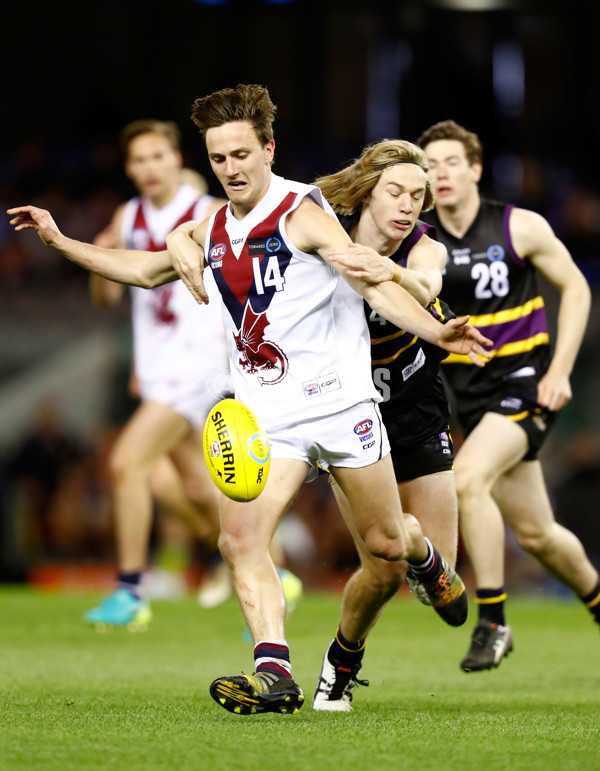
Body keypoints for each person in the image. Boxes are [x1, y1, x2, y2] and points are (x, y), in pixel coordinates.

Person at [8, 84, 492, 716]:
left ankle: (425, 559)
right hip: (268, 417)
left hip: (343, 409)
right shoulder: (212, 228)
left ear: (268, 148)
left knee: (386, 548)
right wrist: (60, 242)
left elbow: (371, 284)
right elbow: (145, 269)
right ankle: (274, 673)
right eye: (219, 159)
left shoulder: (302, 213)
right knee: (238, 540)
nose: (232, 169)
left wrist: (437, 330)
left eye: (242, 154)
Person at [416, 119, 600, 672]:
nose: (440, 173)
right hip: (469, 401)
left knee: (468, 479)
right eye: (429, 165)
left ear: (475, 169)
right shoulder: (420, 244)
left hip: (524, 383)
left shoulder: (519, 226)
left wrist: (560, 369)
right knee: (539, 535)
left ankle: (493, 621)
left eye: (451, 162)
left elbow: (577, 287)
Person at [310, 139, 462, 711]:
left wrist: (393, 273)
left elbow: (427, 285)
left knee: (437, 579)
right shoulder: (320, 229)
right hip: (350, 414)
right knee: (382, 567)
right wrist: (183, 234)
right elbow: (236, 222)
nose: (406, 206)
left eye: (417, 196)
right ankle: (340, 665)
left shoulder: (424, 248)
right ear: (367, 191)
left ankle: (417, 543)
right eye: (394, 192)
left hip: (417, 411)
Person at [83, 118, 233, 626]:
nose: (149, 167)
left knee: (127, 463)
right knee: (182, 487)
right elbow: (105, 299)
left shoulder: (208, 212)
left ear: (177, 159)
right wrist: (99, 257)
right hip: (157, 373)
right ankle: (260, 566)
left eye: (157, 156)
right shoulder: (127, 218)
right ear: (129, 168)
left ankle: (130, 592)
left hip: (200, 367)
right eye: (139, 160)